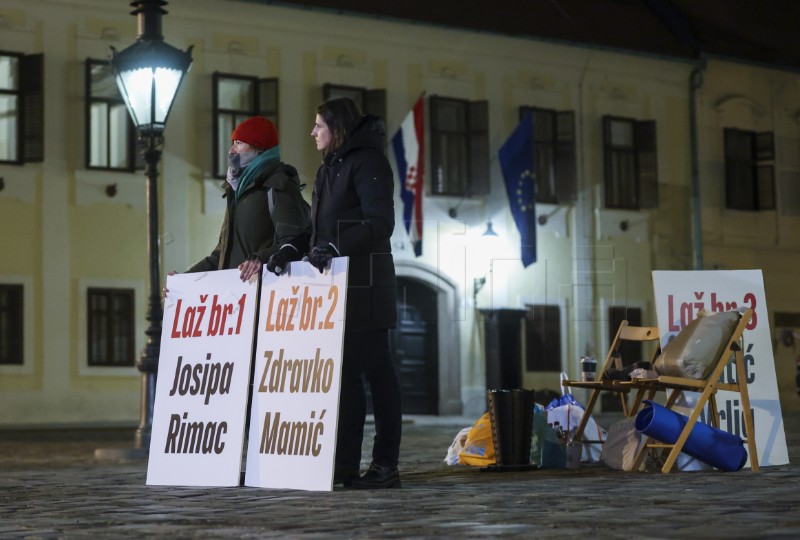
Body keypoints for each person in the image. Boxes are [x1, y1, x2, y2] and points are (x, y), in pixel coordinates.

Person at [267, 97, 402, 489]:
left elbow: (380, 223)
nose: (312, 133)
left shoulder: (368, 162)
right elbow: (318, 231)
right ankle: (344, 465)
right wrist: (292, 248)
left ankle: (385, 465)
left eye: (318, 126)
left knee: (378, 374)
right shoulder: (329, 169)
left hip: (368, 286)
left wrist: (335, 246)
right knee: (344, 378)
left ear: (337, 128)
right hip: (335, 291)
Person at [183, 116, 309, 281]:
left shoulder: (279, 184)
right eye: (233, 142)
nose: (231, 150)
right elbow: (221, 255)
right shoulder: (237, 190)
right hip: (236, 295)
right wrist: (182, 280)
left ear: (259, 148)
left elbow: (293, 242)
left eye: (239, 143)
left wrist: (260, 259)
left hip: (262, 292)